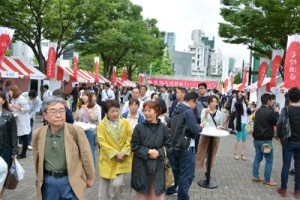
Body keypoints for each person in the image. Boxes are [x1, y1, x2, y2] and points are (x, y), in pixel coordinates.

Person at [32, 96, 95, 200]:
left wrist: (90, 176)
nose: (58, 115)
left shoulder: (75, 131)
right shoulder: (38, 134)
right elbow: (37, 158)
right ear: (44, 115)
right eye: (53, 112)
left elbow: (86, 155)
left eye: (62, 111)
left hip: (71, 180)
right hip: (48, 181)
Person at [131, 100, 171, 200]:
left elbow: (169, 146)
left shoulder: (164, 128)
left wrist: (159, 152)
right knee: (142, 195)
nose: (146, 113)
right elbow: (134, 145)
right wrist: (148, 152)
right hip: (141, 167)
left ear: (157, 112)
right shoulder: (139, 127)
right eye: (144, 110)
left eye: (149, 110)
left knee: (156, 195)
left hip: (158, 167)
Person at [167, 92, 204, 199]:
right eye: (195, 103)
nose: (195, 105)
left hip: (174, 145)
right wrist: (200, 127)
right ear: (192, 101)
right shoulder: (188, 112)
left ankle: (170, 190)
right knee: (186, 175)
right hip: (186, 147)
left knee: (176, 171)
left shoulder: (176, 109)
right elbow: (194, 130)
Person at [97, 99, 133, 200]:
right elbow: (102, 142)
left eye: (117, 110)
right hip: (107, 158)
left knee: (118, 184)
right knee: (104, 185)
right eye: (112, 111)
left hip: (122, 158)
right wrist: (115, 153)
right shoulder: (101, 125)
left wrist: (124, 152)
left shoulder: (125, 123)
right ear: (106, 112)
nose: (115, 113)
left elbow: (130, 138)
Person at [277, 87, 300, 198]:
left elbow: (279, 124)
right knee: (299, 166)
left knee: (286, 165)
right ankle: (297, 191)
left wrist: (280, 138)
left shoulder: (285, 110)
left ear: (289, 97)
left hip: (288, 141)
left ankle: (283, 189)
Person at [252, 93, 279, 186]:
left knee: (258, 157)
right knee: (269, 160)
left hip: (256, 140)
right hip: (266, 141)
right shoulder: (270, 112)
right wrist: (276, 112)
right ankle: (267, 180)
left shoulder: (258, 111)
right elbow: (277, 122)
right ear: (268, 101)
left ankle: (256, 176)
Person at [196, 95, 223, 174]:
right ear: (209, 102)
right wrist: (206, 115)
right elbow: (203, 122)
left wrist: (219, 127)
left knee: (212, 153)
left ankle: (208, 170)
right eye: (212, 102)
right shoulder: (204, 110)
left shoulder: (220, 113)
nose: (214, 104)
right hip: (205, 134)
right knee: (201, 151)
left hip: (215, 135)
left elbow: (220, 124)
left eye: (215, 102)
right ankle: (197, 167)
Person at [75, 90, 101, 164]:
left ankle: (92, 165)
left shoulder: (95, 107)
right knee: (81, 148)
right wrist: (78, 111)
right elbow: (76, 118)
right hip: (81, 128)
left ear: (89, 97)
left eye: (86, 95)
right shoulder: (80, 106)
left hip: (90, 129)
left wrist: (87, 109)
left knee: (90, 149)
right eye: (83, 95)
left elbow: (94, 118)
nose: (84, 97)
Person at [0, 91, 17, 199]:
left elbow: (14, 133)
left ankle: (1, 195)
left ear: (3, 100)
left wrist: (14, 150)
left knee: (4, 173)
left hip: (5, 148)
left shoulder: (9, 115)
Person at [9, 85, 31, 159]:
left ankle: (23, 154)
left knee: (24, 137)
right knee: (16, 136)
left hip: (23, 121)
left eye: (10, 93)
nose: (9, 94)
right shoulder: (14, 99)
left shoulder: (21, 99)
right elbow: (13, 106)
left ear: (14, 92)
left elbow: (27, 109)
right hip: (17, 119)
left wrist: (18, 108)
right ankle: (16, 151)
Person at [234, 92, 251, 161]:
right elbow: (238, 104)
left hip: (246, 123)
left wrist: (249, 108)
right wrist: (242, 97)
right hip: (240, 122)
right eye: (245, 96)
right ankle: (235, 153)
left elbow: (249, 113)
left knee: (244, 139)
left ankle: (243, 154)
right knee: (238, 138)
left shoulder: (247, 104)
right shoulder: (239, 104)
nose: (246, 97)